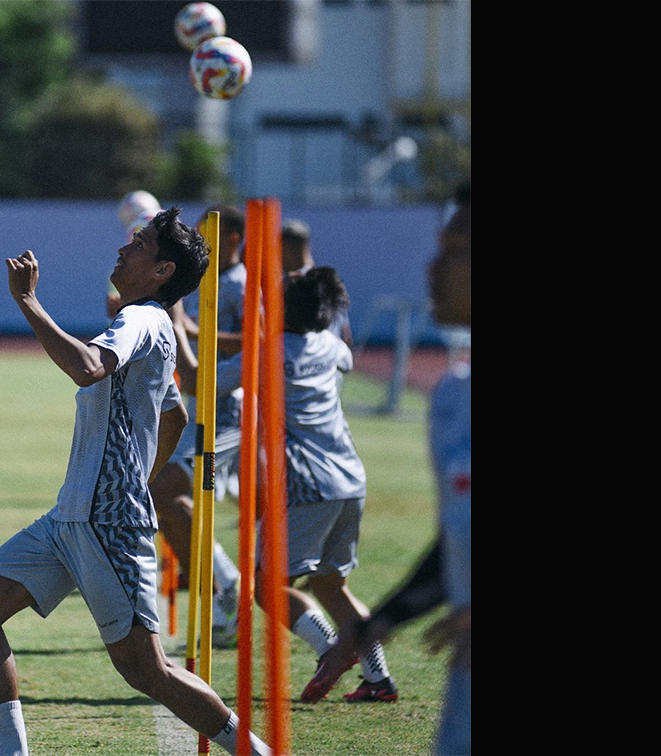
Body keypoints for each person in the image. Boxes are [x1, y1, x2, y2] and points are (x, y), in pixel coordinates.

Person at [0, 207, 273, 756]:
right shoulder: (151, 324)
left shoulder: (144, 319)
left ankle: (256, 751)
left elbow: (87, 368)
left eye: (140, 244)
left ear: (161, 271)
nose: (124, 249)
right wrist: (141, 477)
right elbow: (172, 413)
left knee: (148, 671)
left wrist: (28, 301)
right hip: (71, 517)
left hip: (106, 523)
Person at [171, 265, 397, 705]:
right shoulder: (332, 347)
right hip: (350, 476)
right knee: (332, 585)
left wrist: (179, 324)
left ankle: (331, 649)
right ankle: (379, 678)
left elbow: (200, 381)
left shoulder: (267, 352)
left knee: (267, 586)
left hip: (307, 482)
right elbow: (345, 355)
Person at [329, 181, 470, 753]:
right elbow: (454, 549)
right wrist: (371, 629)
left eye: (458, 251)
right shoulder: (454, 398)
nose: (433, 268)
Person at [149, 203, 247, 647]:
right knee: (159, 493)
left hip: (227, 413)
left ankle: (229, 587)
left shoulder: (242, 285)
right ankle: (221, 586)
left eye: (207, 232)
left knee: (167, 488)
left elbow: (260, 339)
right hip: (197, 404)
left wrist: (187, 325)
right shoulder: (204, 275)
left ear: (232, 238)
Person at [282, 219, 351, 349]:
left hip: (300, 363)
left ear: (285, 247)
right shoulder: (330, 281)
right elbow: (346, 336)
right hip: (330, 363)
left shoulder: (290, 286)